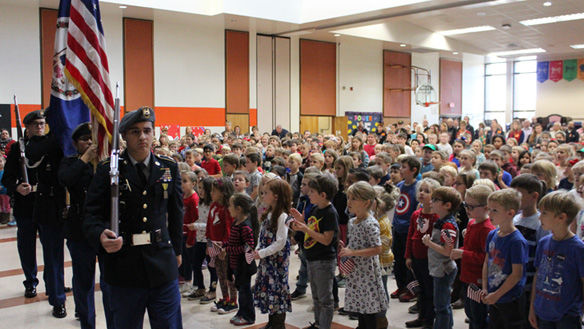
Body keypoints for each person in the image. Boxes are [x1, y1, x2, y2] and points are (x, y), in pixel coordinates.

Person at [83, 107, 183, 329]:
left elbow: (176, 214)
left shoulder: (168, 168)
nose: (142, 137)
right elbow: (90, 215)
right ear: (125, 136)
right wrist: (100, 235)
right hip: (123, 266)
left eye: (147, 131)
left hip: (161, 263)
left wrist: (177, 250)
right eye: (135, 132)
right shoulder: (109, 170)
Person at [3, 110, 67, 317]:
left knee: (53, 251)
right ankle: (30, 282)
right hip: (26, 206)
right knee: (27, 247)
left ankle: (56, 293)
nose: (40, 126)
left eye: (42, 123)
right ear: (27, 127)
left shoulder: (52, 147)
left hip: (49, 204)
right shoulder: (17, 151)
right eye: (36, 124)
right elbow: (7, 179)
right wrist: (16, 187)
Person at [58, 122, 114, 328]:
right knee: (83, 281)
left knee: (109, 281)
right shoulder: (71, 162)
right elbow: (65, 179)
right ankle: (87, 322)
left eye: (93, 139)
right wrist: (85, 159)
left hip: (105, 225)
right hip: (80, 228)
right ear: (75, 143)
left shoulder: (107, 164)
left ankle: (113, 322)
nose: (90, 143)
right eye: (84, 140)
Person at [529, 191, 584, 329]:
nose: (540, 217)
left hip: (567, 315)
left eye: (544, 213)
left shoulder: (577, 248)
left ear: (561, 217)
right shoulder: (543, 242)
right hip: (543, 310)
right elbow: (538, 275)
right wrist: (532, 307)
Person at [291, 174, 339, 329]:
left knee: (325, 299)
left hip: (324, 260)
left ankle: (324, 326)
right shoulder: (316, 209)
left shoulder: (330, 213)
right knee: (316, 297)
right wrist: (302, 222)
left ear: (323, 195)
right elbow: (313, 229)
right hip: (312, 258)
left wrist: (305, 228)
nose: (308, 194)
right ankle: (318, 323)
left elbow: (326, 239)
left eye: (312, 191)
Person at [339, 181, 388, 329]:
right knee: (361, 306)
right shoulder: (353, 221)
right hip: (356, 272)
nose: (349, 202)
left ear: (366, 202)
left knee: (369, 308)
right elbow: (355, 244)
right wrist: (347, 249)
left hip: (367, 273)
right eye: (348, 198)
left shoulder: (370, 223)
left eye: (354, 199)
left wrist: (353, 252)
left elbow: (377, 248)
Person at [482, 189, 528, 329]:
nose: (489, 214)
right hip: (493, 294)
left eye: (495, 210)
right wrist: (485, 288)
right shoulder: (492, 234)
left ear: (510, 213)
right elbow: (486, 262)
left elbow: (516, 275)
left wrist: (497, 294)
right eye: (489, 209)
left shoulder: (516, 241)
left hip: (509, 298)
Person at [450, 185, 495, 329]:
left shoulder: (487, 229)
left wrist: (463, 253)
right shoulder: (472, 223)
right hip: (467, 277)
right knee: (470, 312)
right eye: (465, 205)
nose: (467, 210)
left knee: (478, 315)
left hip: (478, 280)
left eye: (471, 206)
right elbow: (471, 248)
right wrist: (461, 251)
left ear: (487, 208)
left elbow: (486, 258)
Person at [253, 179, 293, 329]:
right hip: (267, 259)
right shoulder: (268, 212)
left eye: (266, 193)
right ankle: (272, 322)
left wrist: (262, 252)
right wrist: (258, 248)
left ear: (276, 196)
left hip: (277, 261)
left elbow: (281, 242)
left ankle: (278, 324)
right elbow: (262, 234)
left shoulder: (282, 216)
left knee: (277, 291)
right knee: (269, 291)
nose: (263, 195)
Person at [422, 186, 461, 329]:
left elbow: (447, 251)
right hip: (438, 268)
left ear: (447, 205)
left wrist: (429, 243)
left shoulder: (448, 224)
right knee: (440, 304)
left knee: (441, 306)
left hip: (444, 269)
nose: (431, 202)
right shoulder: (441, 221)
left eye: (435, 200)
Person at [405, 178, 441, 329]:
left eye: (427, 191)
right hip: (416, 257)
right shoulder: (416, 214)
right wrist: (408, 255)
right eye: (421, 190)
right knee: (420, 290)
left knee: (429, 291)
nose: (422, 193)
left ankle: (429, 320)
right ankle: (421, 316)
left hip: (429, 259)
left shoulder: (436, 217)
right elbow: (410, 235)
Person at [225, 193, 259, 326]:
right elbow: (233, 242)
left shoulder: (245, 226)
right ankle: (241, 312)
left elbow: (248, 247)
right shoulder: (236, 222)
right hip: (235, 264)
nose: (228, 208)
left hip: (244, 266)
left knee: (245, 293)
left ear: (238, 209)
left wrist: (229, 250)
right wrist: (225, 246)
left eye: (230, 206)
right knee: (241, 291)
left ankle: (248, 316)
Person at [392, 156, 421, 303]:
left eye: (404, 167)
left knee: (408, 261)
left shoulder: (417, 187)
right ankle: (401, 286)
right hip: (397, 227)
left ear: (413, 170)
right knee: (397, 260)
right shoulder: (400, 185)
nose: (401, 170)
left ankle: (412, 289)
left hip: (409, 229)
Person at [207, 177, 237, 314]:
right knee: (220, 274)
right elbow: (209, 225)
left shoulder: (227, 209)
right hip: (214, 245)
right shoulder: (213, 205)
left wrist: (225, 247)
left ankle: (233, 301)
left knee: (229, 275)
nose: (211, 193)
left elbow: (229, 229)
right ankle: (224, 298)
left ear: (223, 192)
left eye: (214, 191)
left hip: (224, 247)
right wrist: (208, 243)